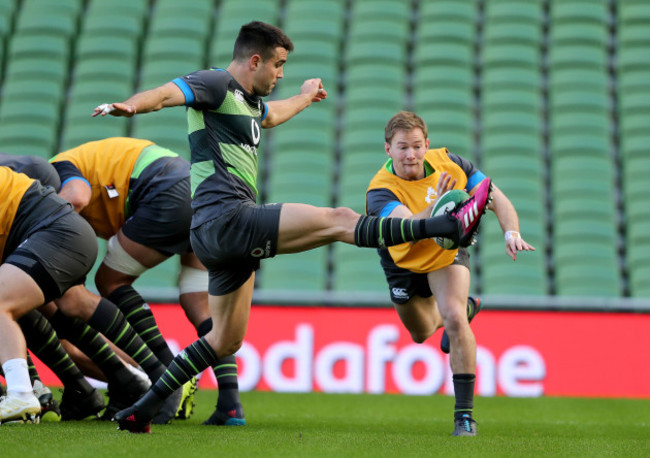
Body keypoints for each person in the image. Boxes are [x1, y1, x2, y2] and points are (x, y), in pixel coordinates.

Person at [93, 21, 492, 433]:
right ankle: (440, 226)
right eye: (278, 65)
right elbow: (166, 94)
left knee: (225, 341)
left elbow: (271, 115)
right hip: (226, 217)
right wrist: (131, 106)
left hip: (217, 237)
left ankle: (142, 409)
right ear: (254, 60)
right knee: (339, 220)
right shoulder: (214, 83)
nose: (280, 74)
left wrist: (303, 98)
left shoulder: (246, 103)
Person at [365, 111, 536, 436]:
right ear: (388, 149)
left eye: (417, 146)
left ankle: (464, 416)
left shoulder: (450, 162)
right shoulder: (379, 190)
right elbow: (408, 228)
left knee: (454, 318)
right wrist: (439, 203)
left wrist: (511, 233)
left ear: (427, 144)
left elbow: (495, 196)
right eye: (402, 147)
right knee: (421, 331)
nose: (411, 154)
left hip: (445, 252)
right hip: (404, 259)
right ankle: (468, 306)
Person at [49, 137, 210, 423]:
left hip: (163, 187)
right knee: (197, 302)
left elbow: (77, 199)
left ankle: (169, 372)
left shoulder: (57, 171)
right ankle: (231, 405)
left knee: (109, 281)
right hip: (194, 189)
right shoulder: (64, 175)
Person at [0, 166, 97, 424]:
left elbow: (76, 197)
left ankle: (22, 393)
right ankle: (144, 376)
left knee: (1, 305)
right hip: (63, 233)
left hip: (58, 235)